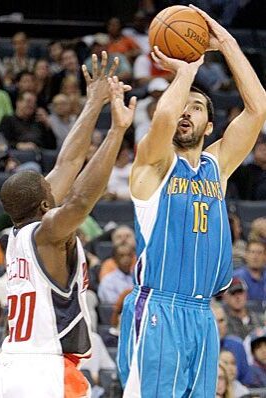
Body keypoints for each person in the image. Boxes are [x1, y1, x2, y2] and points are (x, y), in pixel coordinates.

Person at [118, 4, 266, 397]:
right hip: (157, 310)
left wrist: (228, 44)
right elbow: (163, 120)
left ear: (210, 126)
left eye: (196, 107)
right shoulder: (152, 163)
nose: (186, 111)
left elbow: (258, 108)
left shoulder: (217, 167)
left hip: (202, 315)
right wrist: (186, 73)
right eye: (182, 105)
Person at [0, 51, 137, 397]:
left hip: (6, 365)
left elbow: (68, 162)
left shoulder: (18, 233)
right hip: (43, 371)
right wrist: (116, 131)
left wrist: (93, 102)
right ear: (44, 203)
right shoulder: (47, 234)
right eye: (47, 183)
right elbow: (81, 200)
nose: (54, 180)